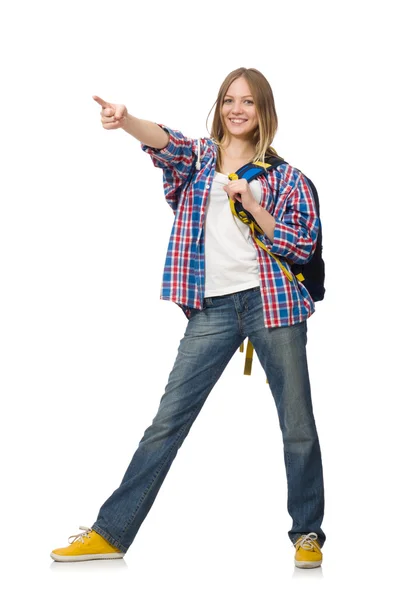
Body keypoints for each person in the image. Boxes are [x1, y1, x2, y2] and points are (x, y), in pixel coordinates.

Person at [51, 67, 325, 568]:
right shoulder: (200, 160)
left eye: (248, 102)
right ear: (219, 107)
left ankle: (307, 535)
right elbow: (166, 144)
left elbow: (301, 245)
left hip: (274, 303)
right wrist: (128, 120)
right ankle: (110, 533)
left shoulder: (289, 179)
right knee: (167, 421)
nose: (237, 109)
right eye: (228, 100)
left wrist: (254, 207)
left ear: (264, 111)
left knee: (297, 423)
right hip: (213, 309)